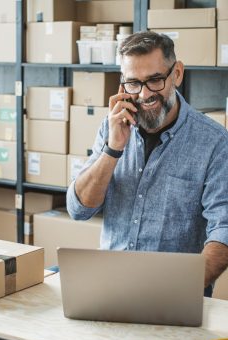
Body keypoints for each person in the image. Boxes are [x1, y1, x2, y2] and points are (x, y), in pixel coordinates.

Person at [66, 31, 228, 296]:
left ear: (176, 73)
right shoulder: (111, 129)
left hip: (175, 295)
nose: (143, 94)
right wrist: (113, 149)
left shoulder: (214, 142)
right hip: (110, 290)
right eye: (132, 83)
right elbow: (78, 209)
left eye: (154, 80)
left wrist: (181, 290)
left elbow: (224, 229)